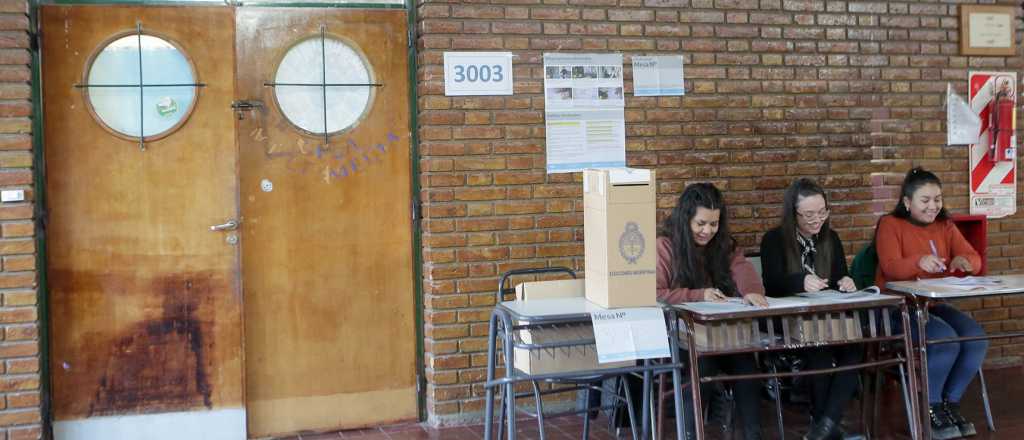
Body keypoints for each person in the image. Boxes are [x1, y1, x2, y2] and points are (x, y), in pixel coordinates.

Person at [875, 167, 986, 440]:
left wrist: (966, 262)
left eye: (937, 199)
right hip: (896, 307)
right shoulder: (889, 224)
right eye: (925, 200)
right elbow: (890, 269)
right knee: (944, 339)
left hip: (932, 304)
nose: (933, 206)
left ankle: (950, 402)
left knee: (976, 338)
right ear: (907, 202)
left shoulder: (945, 225)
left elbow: (974, 258)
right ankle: (931, 407)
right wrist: (918, 262)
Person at [656, 183, 768, 440]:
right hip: (683, 339)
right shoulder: (665, 246)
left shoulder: (723, 246)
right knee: (700, 371)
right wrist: (699, 294)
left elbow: (744, 271)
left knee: (747, 367)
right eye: (701, 224)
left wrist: (751, 291)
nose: (707, 231)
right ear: (686, 220)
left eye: (714, 224)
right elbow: (656, 293)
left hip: (722, 336)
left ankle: (753, 435)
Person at [759, 178, 863, 440]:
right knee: (820, 350)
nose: (817, 220)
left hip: (826, 314)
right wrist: (800, 281)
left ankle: (824, 426)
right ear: (793, 214)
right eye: (808, 215)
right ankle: (824, 423)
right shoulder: (774, 240)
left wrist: (847, 282)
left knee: (855, 347)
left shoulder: (832, 238)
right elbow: (771, 283)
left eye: (822, 213)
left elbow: (840, 276)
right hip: (790, 318)